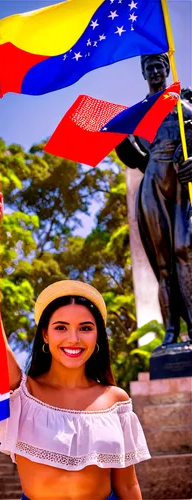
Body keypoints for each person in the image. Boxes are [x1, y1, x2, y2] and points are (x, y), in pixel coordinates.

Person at [0, 187, 150, 500]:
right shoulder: (23, 392)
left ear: (98, 336)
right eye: (61, 327)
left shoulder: (115, 400)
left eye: (85, 327)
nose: (73, 339)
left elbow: (127, 485)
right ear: (45, 335)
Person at [116, 53, 192, 345]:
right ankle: (171, 333)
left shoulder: (184, 104)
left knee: (186, 251)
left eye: (160, 66)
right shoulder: (138, 115)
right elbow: (137, 159)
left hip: (182, 187)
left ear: (168, 68)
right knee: (163, 265)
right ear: (143, 73)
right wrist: (117, 137)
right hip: (153, 187)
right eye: (150, 67)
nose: (156, 71)